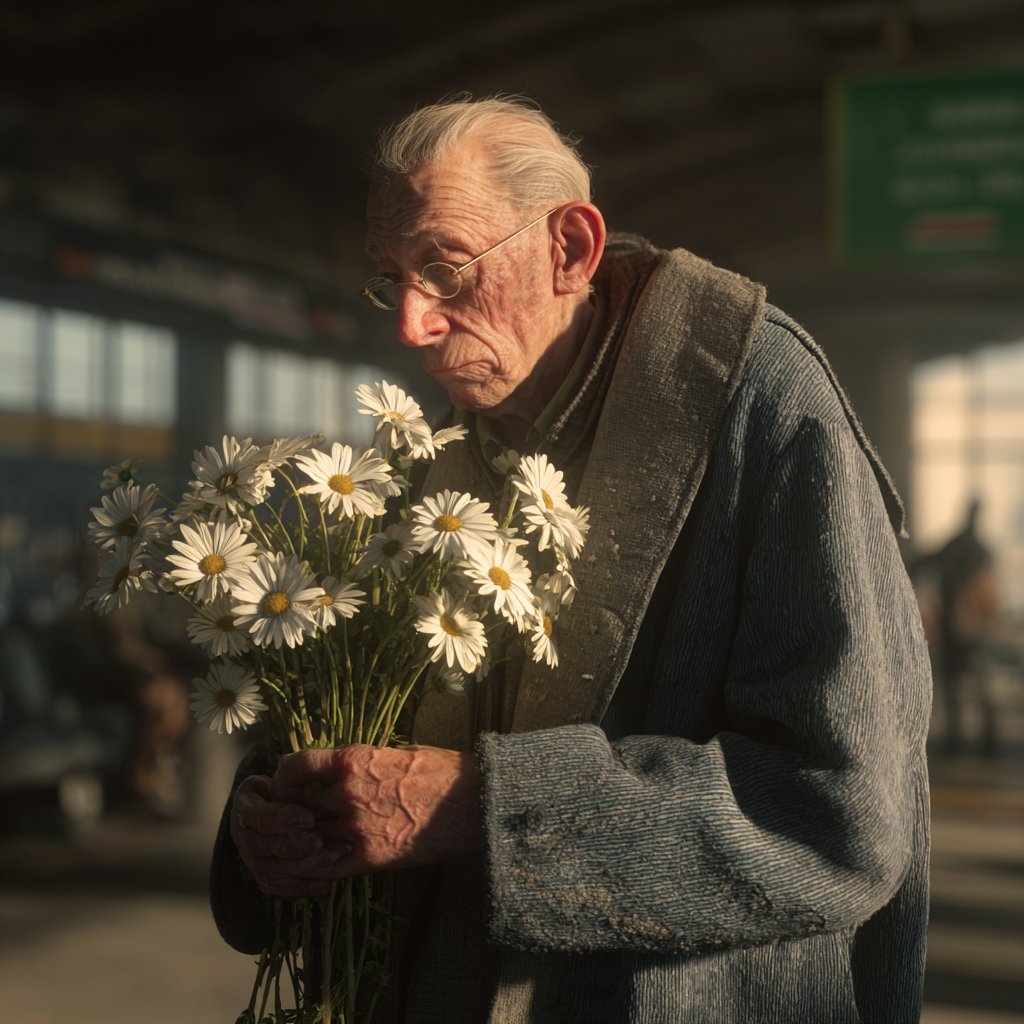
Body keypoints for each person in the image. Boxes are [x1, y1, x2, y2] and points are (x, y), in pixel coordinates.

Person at [211, 96, 932, 1023]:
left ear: (571, 249)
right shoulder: (432, 459)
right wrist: (274, 817)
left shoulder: (762, 407)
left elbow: (842, 815)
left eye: (443, 266)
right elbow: (356, 742)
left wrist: (482, 807)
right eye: (389, 277)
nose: (410, 325)